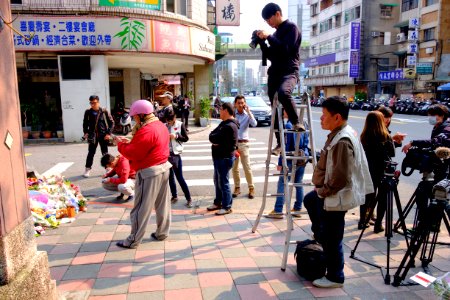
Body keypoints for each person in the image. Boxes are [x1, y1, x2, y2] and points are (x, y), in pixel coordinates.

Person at [303, 96, 373, 288]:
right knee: (310, 201)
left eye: (324, 115)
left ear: (337, 117)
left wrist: (323, 191)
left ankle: (335, 276)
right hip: (329, 194)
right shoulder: (338, 132)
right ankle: (321, 237)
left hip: (335, 196)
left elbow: (340, 177)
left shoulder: (342, 140)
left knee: (333, 237)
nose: (321, 119)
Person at [114, 100, 172, 249]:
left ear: (141, 115)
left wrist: (120, 144)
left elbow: (133, 153)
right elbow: (143, 145)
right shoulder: (159, 125)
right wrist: (128, 142)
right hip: (164, 168)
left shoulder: (147, 130)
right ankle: (162, 233)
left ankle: (133, 240)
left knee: (141, 208)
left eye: (135, 117)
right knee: (162, 204)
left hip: (149, 172)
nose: (134, 119)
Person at [257, 3, 304, 156]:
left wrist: (268, 36)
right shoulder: (276, 34)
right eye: (265, 20)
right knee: (275, 109)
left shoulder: (291, 28)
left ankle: (296, 121)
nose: (268, 22)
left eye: (268, 18)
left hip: (289, 71)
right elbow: (272, 55)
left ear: (277, 14)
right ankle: (280, 143)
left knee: (284, 93)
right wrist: (262, 43)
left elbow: (286, 50)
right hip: (275, 73)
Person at [266, 111, 309, 219]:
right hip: (302, 158)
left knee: (282, 184)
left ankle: (278, 210)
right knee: (298, 183)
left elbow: (285, 146)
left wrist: (280, 163)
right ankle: (298, 208)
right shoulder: (304, 123)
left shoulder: (289, 125)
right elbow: (306, 141)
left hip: (290, 159)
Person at [359, 111, 395, 232]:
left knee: (367, 195)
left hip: (368, 169)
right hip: (383, 170)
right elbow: (392, 153)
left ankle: (362, 220)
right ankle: (378, 224)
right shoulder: (385, 136)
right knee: (383, 197)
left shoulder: (363, 136)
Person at [207, 102, 239, 215]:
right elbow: (211, 135)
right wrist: (214, 140)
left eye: (220, 109)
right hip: (219, 157)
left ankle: (227, 206)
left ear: (225, 110)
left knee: (223, 182)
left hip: (224, 158)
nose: (219, 111)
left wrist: (216, 141)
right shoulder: (223, 124)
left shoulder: (229, 126)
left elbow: (216, 139)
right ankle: (218, 202)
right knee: (217, 180)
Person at [232, 95, 257, 199]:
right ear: (235, 104)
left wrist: (249, 112)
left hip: (244, 144)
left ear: (245, 103)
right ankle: (237, 188)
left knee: (247, 167)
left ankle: (251, 188)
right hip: (234, 145)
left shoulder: (247, 115)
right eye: (239, 103)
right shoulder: (232, 115)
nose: (241, 105)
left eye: (242, 103)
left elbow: (254, 124)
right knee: (235, 168)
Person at [82, 95, 114, 178]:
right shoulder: (88, 112)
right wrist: (85, 132)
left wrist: (108, 134)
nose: (92, 104)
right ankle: (87, 169)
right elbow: (85, 123)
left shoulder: (104, 111)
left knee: (105, 153)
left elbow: (112, 123)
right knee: (91, 153)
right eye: (91, 103)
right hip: (92, 135)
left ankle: (107, 168)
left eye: (94, 103)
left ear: (98, 102)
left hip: (103, 135)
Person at [166, 112, 192, 207]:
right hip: (166, 154)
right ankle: (174, 196)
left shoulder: (180, 124)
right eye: (167, 121)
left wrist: (176, 136)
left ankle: (188, 198)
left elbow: (186, 138)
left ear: (174, 118)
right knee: (170, 177)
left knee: (179, 177)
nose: (169, 123)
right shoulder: (165, 126)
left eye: (170, 121)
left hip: (176, 154)